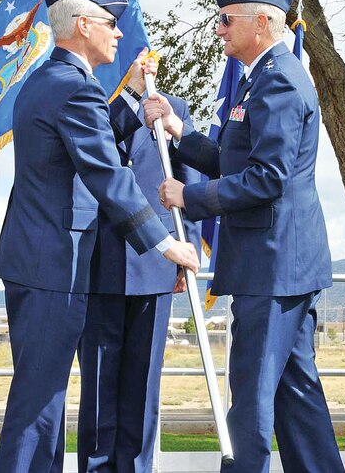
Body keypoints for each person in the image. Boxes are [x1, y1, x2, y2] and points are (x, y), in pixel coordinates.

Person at [0, 0, 200, 473]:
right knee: (39, 406)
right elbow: (110, 177)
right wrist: (166, 244)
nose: (120, 33)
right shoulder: (75, 89)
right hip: (52, 267)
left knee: (41, 403)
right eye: (111, 23)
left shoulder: (50, 80)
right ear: (83, 25)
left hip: (41, 263)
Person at [144, 0, 345, 473]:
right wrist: (179, 132)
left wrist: (188, 196)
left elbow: (267, 178)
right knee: (296, 393)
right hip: (279, 264)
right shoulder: (262, 77)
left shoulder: (278, 81)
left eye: (227, 19)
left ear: (261, 22)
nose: (219, 29)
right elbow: (234, 159)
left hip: (274, 265)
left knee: (252, 395)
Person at [77, 75, 202, 473]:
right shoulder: (96, 109)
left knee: (143, 386)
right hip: (101, 262)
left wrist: (189, 250)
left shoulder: (174, 109)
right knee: (98, 387)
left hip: (157, 260)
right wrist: (129, 101)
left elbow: (190, 179)